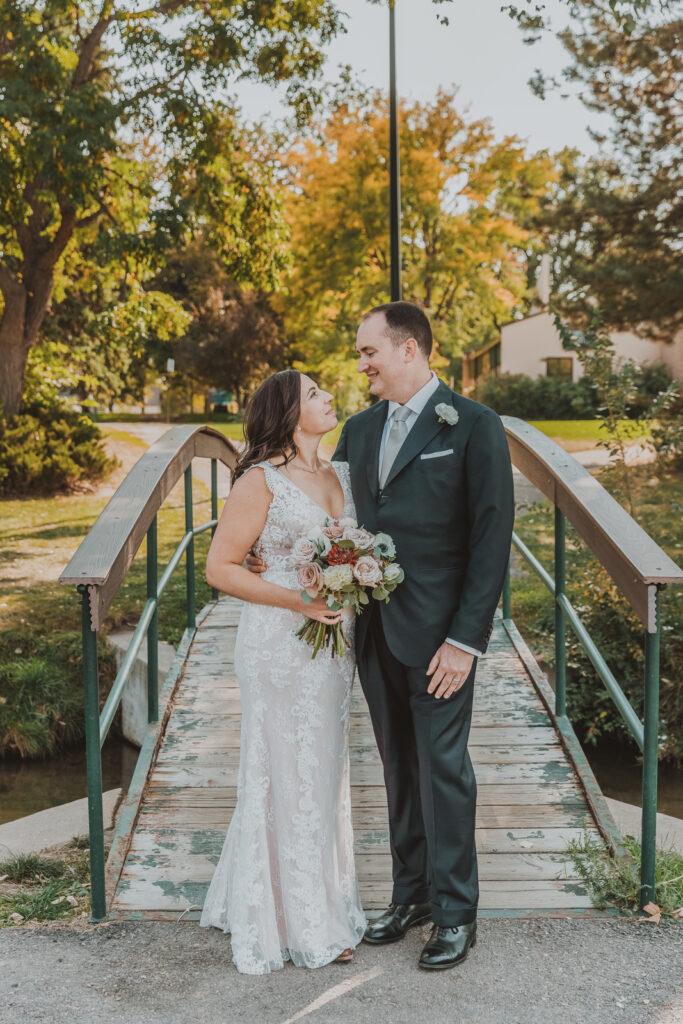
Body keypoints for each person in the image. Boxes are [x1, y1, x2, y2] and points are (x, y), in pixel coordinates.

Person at [249, 301, 514, 970]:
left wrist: (465, 640)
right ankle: (412, 895)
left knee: (443, 771)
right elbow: (331, 516)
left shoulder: (474, 426)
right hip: (371, 632)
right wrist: (267, 552)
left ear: (408, 351)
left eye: (368, 351)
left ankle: (456, 915)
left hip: (441, 639)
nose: (360, 362)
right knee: (398, 767)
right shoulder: (360, 432)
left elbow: (490, 541)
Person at [199, 369, 366, 975]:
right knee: (286, 767)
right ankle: (305, 923)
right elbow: (221, 568)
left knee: (320, 770)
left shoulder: (341, 473)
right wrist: (298, 599)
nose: (329, 397)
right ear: (291, 413)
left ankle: (307, 899)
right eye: (316, 393)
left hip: (333, 643)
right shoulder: (259, 480)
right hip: (279, 641)